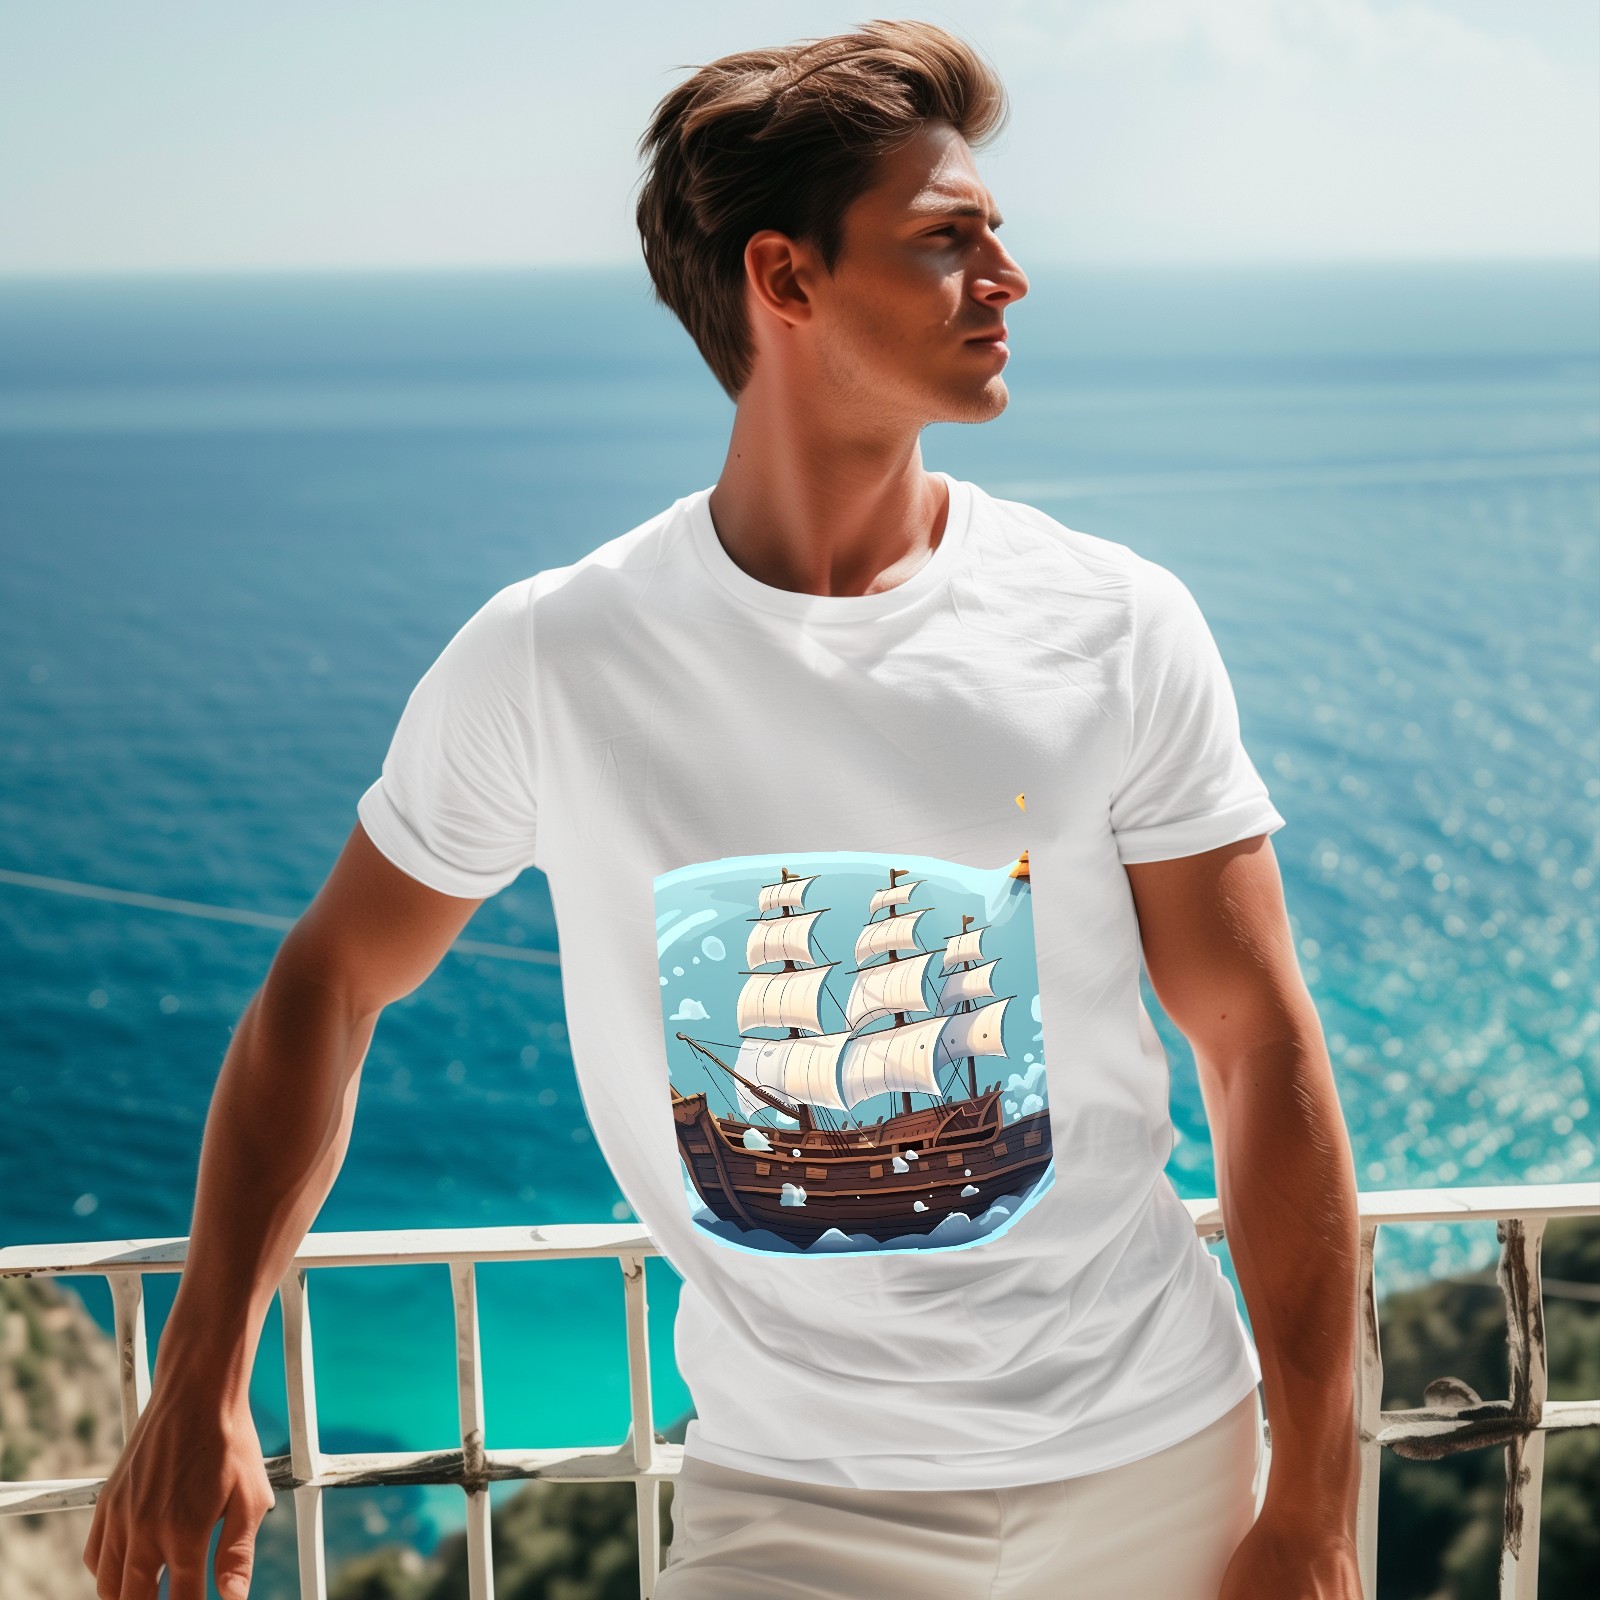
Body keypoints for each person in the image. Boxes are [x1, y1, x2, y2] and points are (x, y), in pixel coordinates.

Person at [84, 19, 1363, 1600]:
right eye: (948, 240)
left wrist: (1315, 1502)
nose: (1009, 280)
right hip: (798, 1507)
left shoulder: (1113, 621)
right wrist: (202, 1376)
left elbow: (1258, 1044)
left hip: (1164, 1465)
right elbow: (329, 983)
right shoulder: (555, 657)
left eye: (997, 235)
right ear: (785, 278)